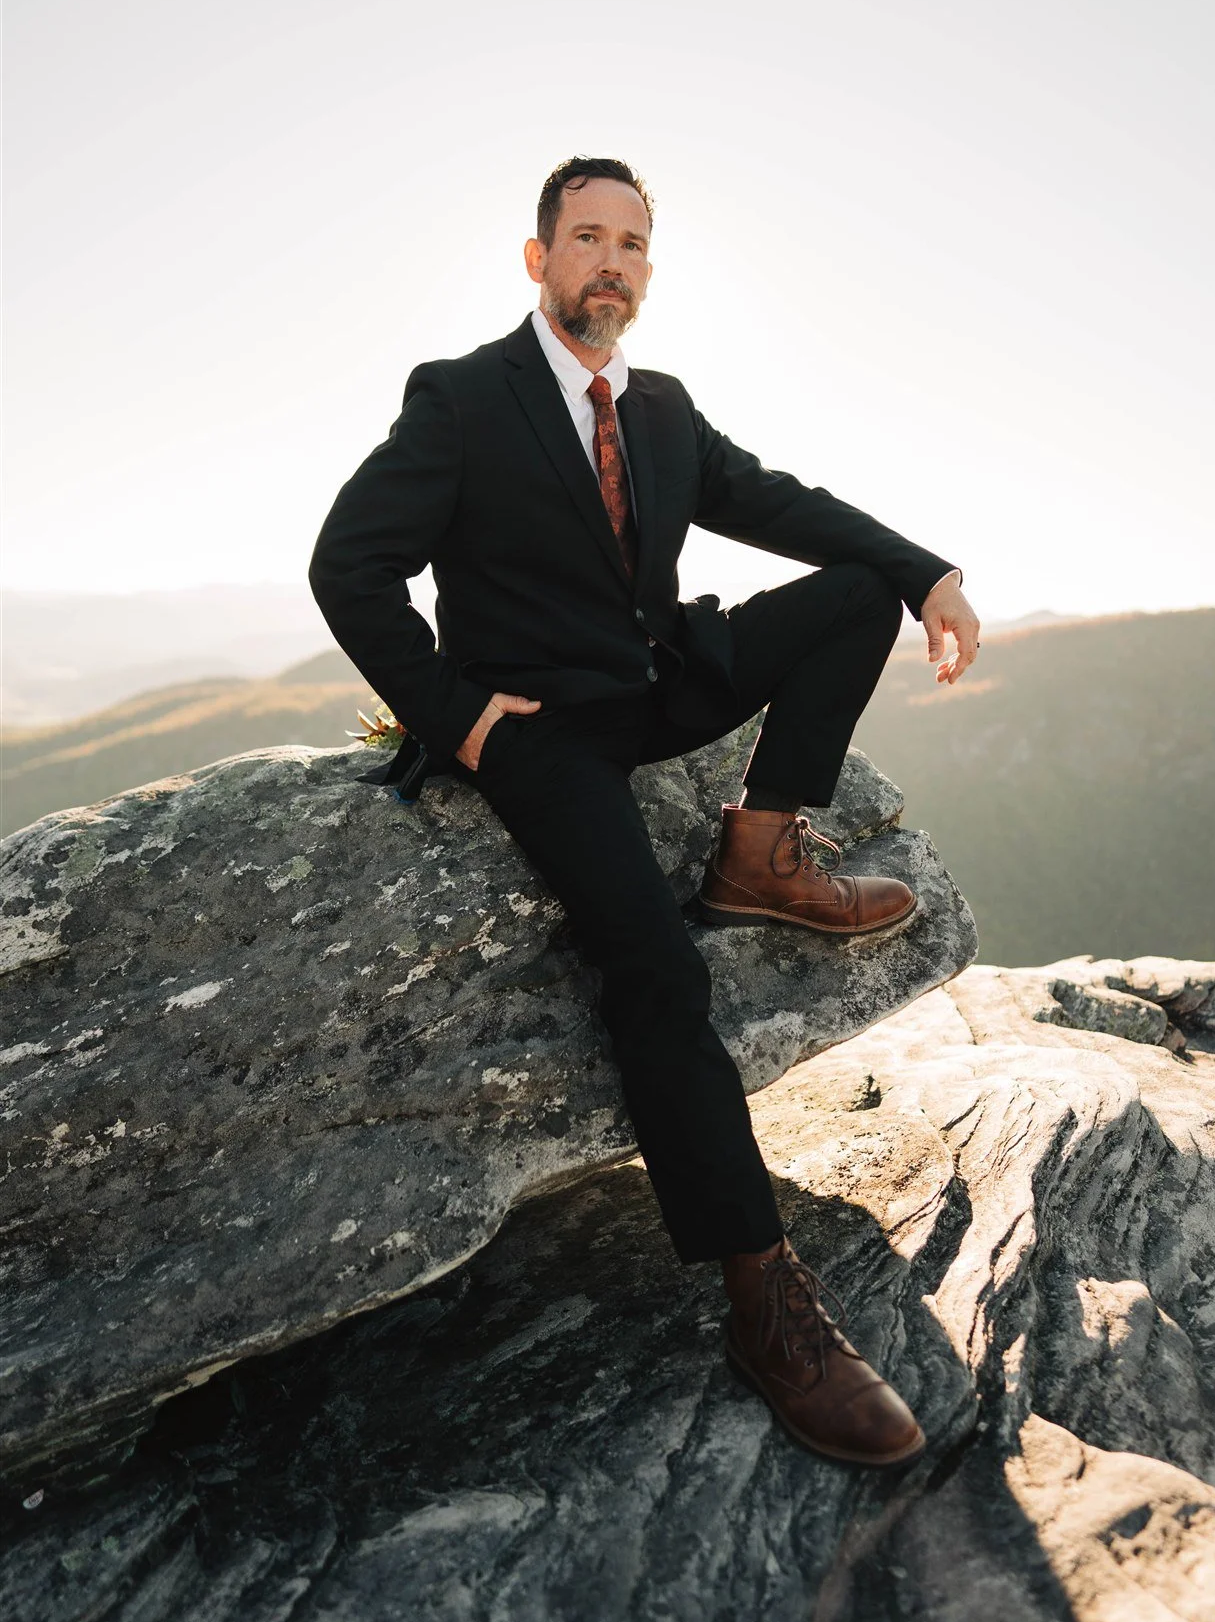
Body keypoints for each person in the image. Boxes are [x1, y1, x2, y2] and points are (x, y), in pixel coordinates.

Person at [308, 155, 980, 1467]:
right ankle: (764, 1300)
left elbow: (780, 501)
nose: (609, 263)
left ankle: (763, 848)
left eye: (632, 245)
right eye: (586, 238)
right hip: (540, 730)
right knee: (656, 974)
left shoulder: (661, 407)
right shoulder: (462, 400)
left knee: (849, 597)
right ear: (538, 258)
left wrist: (926, 572)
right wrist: (460, 716)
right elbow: (352, 565)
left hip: (658, 682)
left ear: (648, 274)